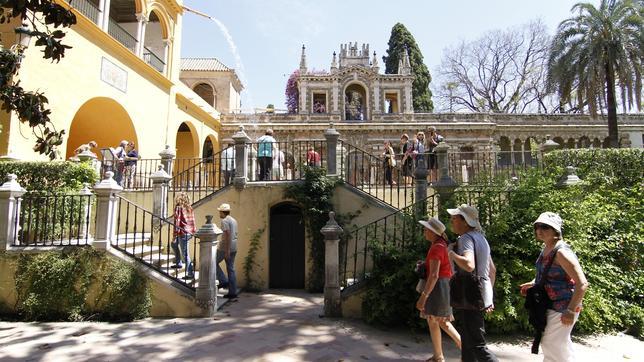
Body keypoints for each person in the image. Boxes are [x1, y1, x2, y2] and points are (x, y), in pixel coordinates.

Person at [520, 212, 588, 362]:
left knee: (552, 344)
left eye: (545, 227)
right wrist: (534, 283)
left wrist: (570, 310)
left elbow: (582, 283)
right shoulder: (548, 248)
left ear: (556, 230)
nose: (539, 230)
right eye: (537, 226)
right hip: (552, 305)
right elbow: (550, 273)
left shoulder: (561, 252)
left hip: (563, 306)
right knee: (559, 345)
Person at [447, 204, 498, 362]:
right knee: (468, 342)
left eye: (454, 218)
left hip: (468, 294)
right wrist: (487, 296)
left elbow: (469, 265)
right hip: (477, 294)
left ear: (464, 221)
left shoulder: (466, 238)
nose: (451, 221)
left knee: (476, 344)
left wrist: (452, 254)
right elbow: (492, 271)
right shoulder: (481, 238)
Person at [416, 217, 462, 362]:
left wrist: (423, 296)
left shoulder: (437, 247)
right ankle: (438, 356)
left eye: (426, 229)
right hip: (442, 286)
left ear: (433, 232)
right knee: (434, 320)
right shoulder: (440, 244)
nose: (424, 232)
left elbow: (435, 275)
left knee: (442, 322)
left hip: (438, 288)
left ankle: (468, 352)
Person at [170, 192, 196, 280]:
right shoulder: (189, 208)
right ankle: (178, 262)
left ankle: (190, 273)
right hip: (188, 232)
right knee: (173, 244)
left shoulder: (179, 208)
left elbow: (177, 223)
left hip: (183, 233)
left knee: (185, 254)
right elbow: (193, 221)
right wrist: (193, 231)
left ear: (179, 199)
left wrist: (174, 235)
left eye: (177, 197)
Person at [217, 203, 238, 299]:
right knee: (231, 269)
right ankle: (232, 292)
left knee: (212, 262)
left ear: (222, 212)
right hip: (234, 247)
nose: (219, 213)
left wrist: (227, 250)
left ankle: (223, 281)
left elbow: (228, 234)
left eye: (219, 212)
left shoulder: (225, 221)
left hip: (225, 248)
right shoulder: (234, 220)